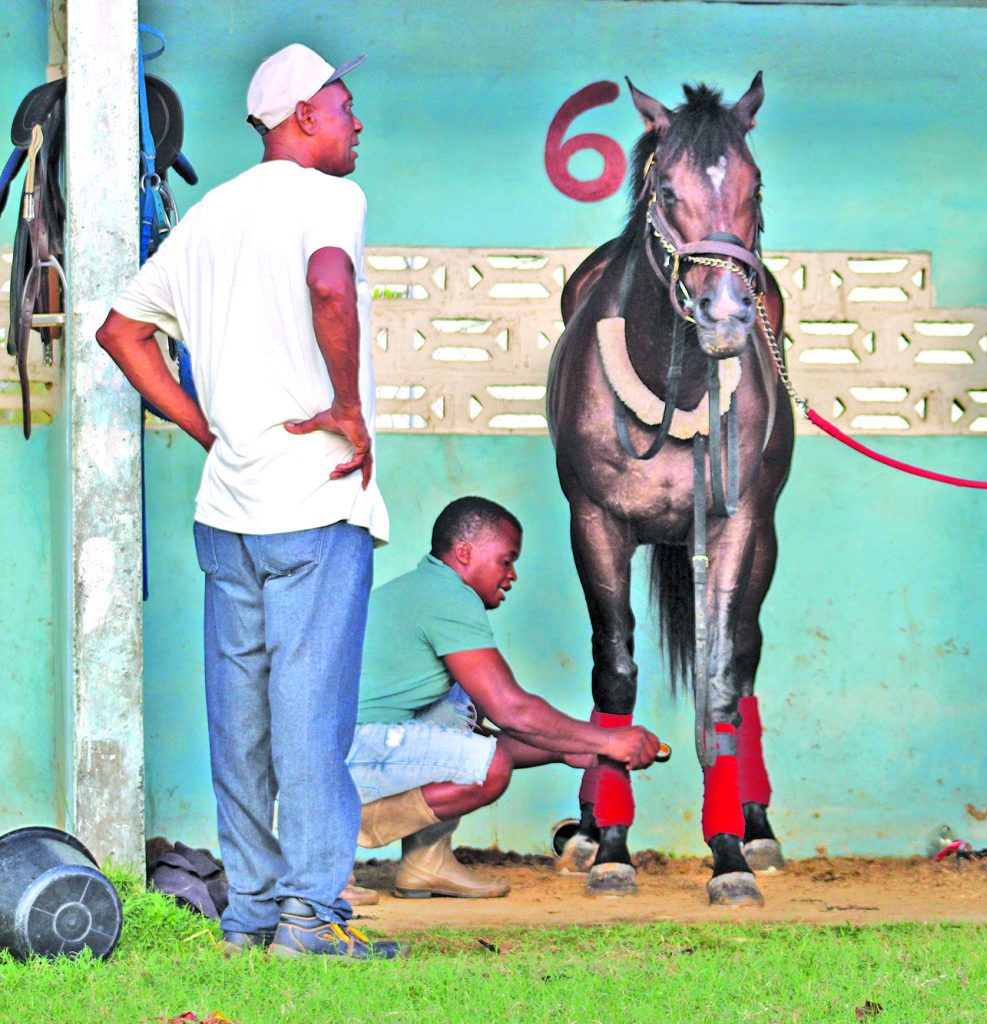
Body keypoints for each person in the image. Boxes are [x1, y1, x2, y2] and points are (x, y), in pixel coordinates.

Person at [96, 44, 400, 959]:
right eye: (344, 105)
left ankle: (251, 918)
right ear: (302, 116)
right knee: (312, 725)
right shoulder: (327, 199)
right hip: (313, 502)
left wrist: (206, 429)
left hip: (227, 516)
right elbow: (328, 285)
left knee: (243, 726)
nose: (356, 122)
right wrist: (347, 407)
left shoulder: (211, 216)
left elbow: (121, 331)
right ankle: (310, 920)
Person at [346, 496, 662, 900]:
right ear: (465, 552)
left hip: (357, 748)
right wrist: (605, 739)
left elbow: (480, 732)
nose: (512, 574)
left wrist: (566, 749)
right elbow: (510, 709)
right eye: (506, 560)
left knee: (463, 708)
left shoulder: (427, 588)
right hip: (345, 755)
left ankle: (426, 864)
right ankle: (334, 834)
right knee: (487, 768)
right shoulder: (447, 597)